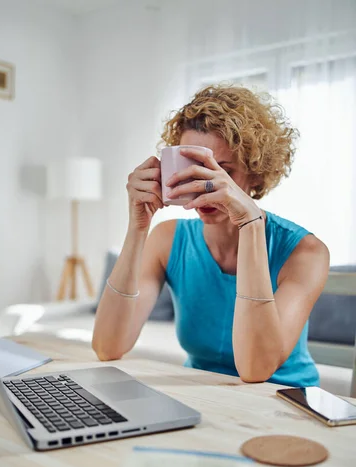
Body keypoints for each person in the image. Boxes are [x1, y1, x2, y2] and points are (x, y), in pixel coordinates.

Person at [92, 85, 329, 386]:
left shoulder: (305, 252)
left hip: (284, 401)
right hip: (205, 397)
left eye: (222, 171)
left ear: (256, 172)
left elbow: (256, 370)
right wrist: (138, 227)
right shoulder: (168, 240)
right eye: (193, 169)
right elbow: (107, 346)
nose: (203, 185)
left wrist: (251, 224)